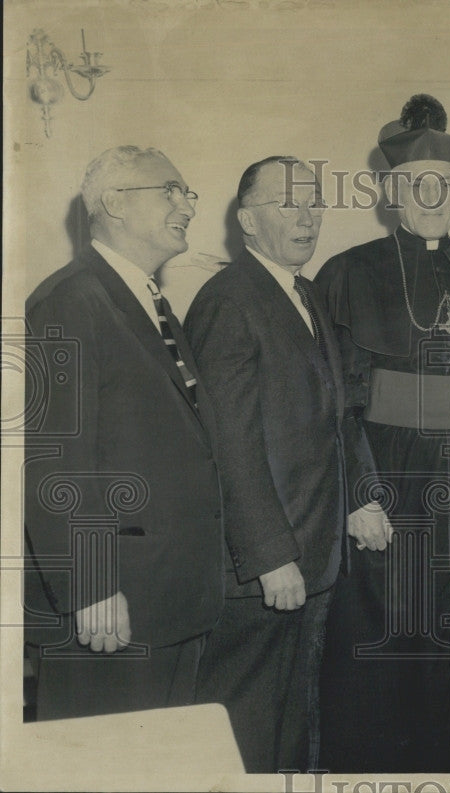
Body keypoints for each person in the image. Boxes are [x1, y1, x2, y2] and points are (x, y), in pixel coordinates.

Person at [313, 95, 450, 772]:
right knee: (386, 632)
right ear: (390, 192)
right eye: (417, 185)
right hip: (388, 473)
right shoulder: (345, 274)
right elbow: (332, 403)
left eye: (445, 184)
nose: (433, 195)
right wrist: (357, 491)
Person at [182, 157, 387, 773]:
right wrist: (271, 555)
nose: (307, 216)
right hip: (265, 565)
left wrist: (359, 496)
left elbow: (333, 416)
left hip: (312, 550)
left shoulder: (299, 291)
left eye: (314, 201)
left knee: (292, 718)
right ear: (247, 219)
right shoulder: (229, 301)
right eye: (287, 203)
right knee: (245, 725)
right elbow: (231, 444)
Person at [23, 146, 224, 720]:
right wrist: (90, 583)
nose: (187, 204)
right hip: (109, 608)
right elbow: (51, 459)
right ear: (114, 202)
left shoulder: (146, 299)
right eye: (171, 190)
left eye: (188, 193)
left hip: (168, 603)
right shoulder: (67, 300)